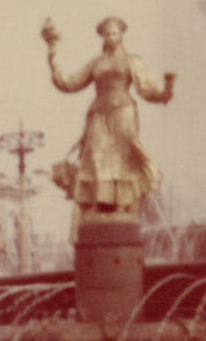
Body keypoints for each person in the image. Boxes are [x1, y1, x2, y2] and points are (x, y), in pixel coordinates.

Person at [42, 16, 175, 218]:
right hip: (99, 113)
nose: (111, 37)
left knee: (125, 155)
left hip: (124, 111)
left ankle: (124, 201)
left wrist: (164, 91)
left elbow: (146, 87)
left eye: (115, 33)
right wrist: (52, 60)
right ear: (103, 37)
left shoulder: (132, 60)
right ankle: (101, 201)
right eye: (107, 34)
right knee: (96, 154)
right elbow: (70, 83)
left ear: (121, 35)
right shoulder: (96, 64)